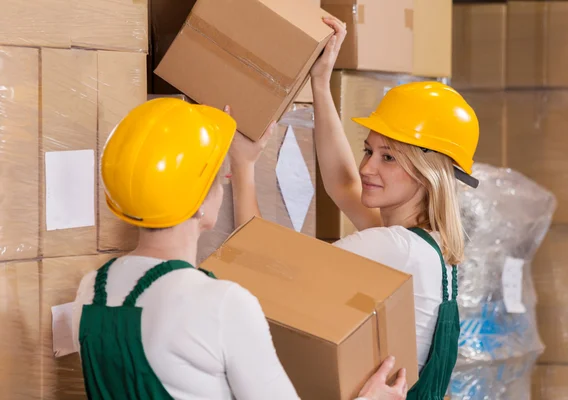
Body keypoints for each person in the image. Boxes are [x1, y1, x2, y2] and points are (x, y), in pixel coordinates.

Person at [70, 97, 408, 400]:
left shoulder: (90, 291)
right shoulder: (221, 304)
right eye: (217, 179)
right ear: (201, 205)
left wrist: (242, 165)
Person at [229, 17, 480, 400]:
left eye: (389, 158)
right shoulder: (428, 246)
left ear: (427, 173)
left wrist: (243, 167)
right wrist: (319, 82)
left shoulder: (396, 247)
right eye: (368, 151)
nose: (368, 168)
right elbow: (344, 185)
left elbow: (264, 272)